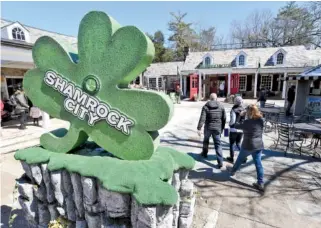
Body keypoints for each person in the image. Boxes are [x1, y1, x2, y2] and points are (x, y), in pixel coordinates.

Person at [227, 104, 265, 191]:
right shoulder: (261, 120)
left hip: (248, 145)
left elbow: (235, 125)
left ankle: (233, 171)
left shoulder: (247, 122)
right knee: (258, 164)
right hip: (258, 146)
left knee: (239, 159)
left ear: (249, 112)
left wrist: (240, 116)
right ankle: (261, 183)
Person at [197, 93, 226, 168]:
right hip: (217, 128)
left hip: (208, 128)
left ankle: (204, 153)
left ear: (210, 98)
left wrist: (199, 128)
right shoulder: (221, 106)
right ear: (216, 98)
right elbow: (224, 119)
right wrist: (222, 129)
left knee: (206, 141)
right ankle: (220, 161)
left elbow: (202, 118)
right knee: (218, 145)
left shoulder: (206, 106)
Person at [227, 96, 246, 164]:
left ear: (235, 101)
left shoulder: (233, 109)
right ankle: (244, 157)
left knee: (232, 144)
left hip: (234, 129)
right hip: (241, 129)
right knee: (238, 143)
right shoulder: (244, 109)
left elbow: (232, 121)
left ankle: (231, 158)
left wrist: (229, 124)